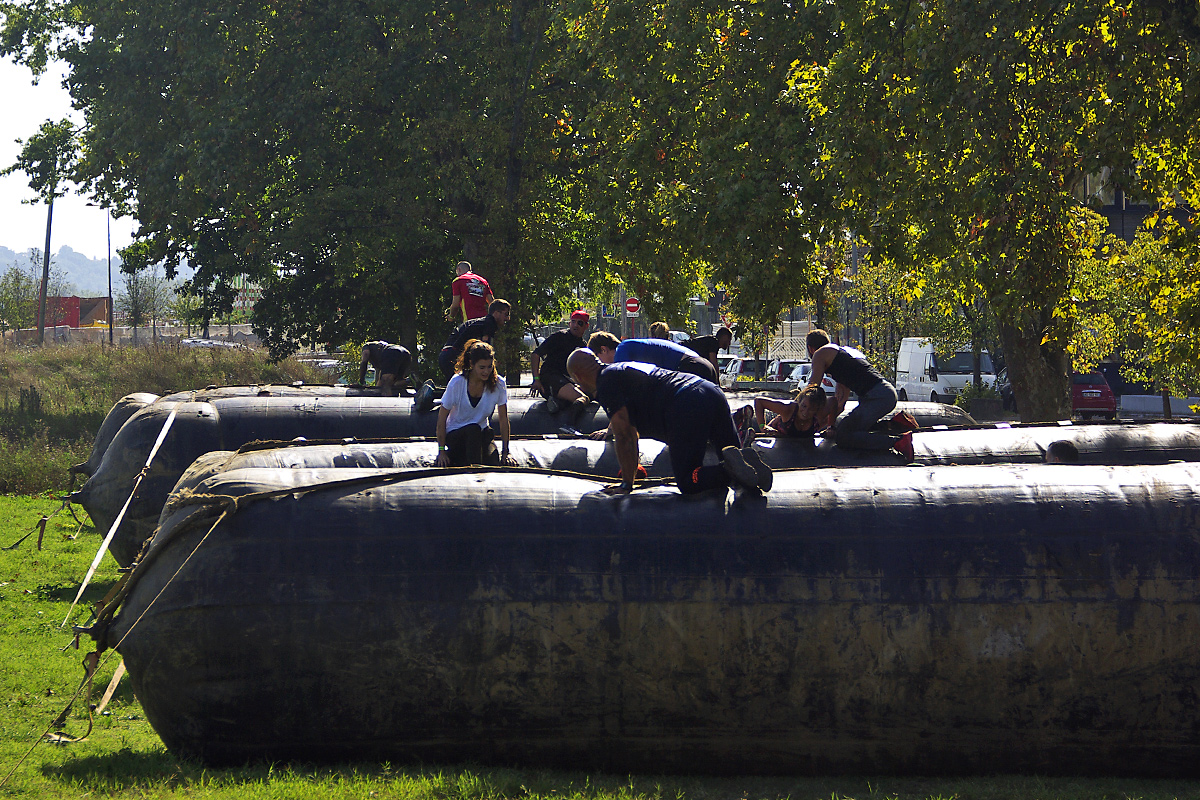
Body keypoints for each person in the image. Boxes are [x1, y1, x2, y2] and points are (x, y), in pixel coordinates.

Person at [566, 349, 772, 495]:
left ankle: (728, 471)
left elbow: (624, 435)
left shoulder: (605, 383)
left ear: (577, 376)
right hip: (710, 391)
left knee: (689, 480)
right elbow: (632, 432)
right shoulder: (621, 368)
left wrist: (626, 484)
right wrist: (633, 468)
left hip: (686, 403)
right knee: (732, 455)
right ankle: (746, 463)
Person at [806, 328, 913, 460]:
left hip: (877, 397)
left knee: (844, 435)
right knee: (850, 427)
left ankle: (897, 442)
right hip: (884, 394)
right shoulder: (841, 358)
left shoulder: (820, 354)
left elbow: (812, 390)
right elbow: (840, 404)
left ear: (811, 349)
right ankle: (893, 425)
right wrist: (829, 426)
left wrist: (799, 415)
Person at [435, 340, 517, 467]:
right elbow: (442, 418)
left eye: (489, 367)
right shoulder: (457, 382)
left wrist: (506, 451)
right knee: (473, 429)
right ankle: (474, 473)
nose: (486, 372)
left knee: (492, 460)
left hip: (482, 434)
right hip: (457, 434)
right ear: (472, 365)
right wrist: (441, 451)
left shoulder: (499, 384)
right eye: (482, 368)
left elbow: (503, 418)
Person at [587, 331, 719, 384]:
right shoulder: (632, 346)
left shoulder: (622, 350)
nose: (601, 364)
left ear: (603, 350)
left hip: (690, 367)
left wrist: (612, 428)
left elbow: (622, 389)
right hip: (702, 365)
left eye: (597, 359)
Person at [531, 310, 591, 413]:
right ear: (569, 323)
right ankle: (568, 424)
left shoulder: (583, 346)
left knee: (591, 395)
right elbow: (535, 354)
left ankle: (559, 403)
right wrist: (536, 379)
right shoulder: (559, 337)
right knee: (580, 398)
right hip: (550, 378)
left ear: (586, 326)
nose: (575, 325)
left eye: (580, 323)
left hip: (567, 381)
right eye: (573, 322)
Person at [438, 299, 512, 382]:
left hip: (446, 354)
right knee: (462, 386)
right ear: (496, 312)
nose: (508, 318)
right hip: (451, 356)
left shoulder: (483, 322)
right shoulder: (490, 323)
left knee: (460, 386)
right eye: (506, 314)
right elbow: (485, 350)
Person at [753, 385, 828, 442]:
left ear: (817, 409)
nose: (806, 412)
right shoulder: (787, 409)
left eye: (811, 409)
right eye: (804, 406)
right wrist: (762, 426)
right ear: (799, 402)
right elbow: (759, 401)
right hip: (776, 437)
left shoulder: (819, 416)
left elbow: (834, 401)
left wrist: (831, 427)